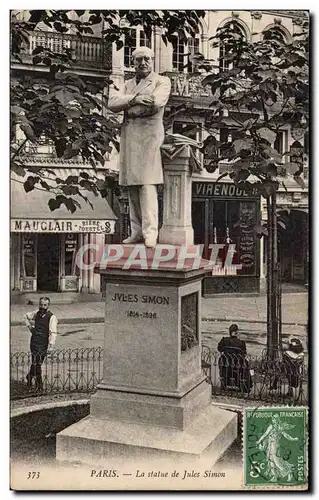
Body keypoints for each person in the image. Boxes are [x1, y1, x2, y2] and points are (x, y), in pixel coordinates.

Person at [108, 46, 171, 248]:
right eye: (138, 60)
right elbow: (112, 102)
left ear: (153, 61)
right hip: (130, 138)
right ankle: (136, 231)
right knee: (132, 186)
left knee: (147, 185)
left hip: (149, 138)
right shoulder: (126, 84)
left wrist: (129, 108)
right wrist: (134, 100)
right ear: (133, 62)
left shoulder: (162, 81)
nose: (143, 63)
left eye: (146, 59)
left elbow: (155, 103)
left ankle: (150, 231)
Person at [24, 297, 58, 391]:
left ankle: (30, 377)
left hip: (43, 342)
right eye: (41, 304)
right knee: (36, 362)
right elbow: (26, 316)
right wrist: (30, 327)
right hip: (34, 341)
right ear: (39, 304)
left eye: (45, 305)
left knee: (37, 362)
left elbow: (53, 332)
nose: (42, 307)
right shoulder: (36, 313)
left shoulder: (52, 317)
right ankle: (39, 385)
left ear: (48, 306)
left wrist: (51, 346)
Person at [217, 324, 252, 392]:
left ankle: (224, 380)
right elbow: (244, 354)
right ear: (236, 332)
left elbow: (219, 349)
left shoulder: (224, 340)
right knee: (246, 364)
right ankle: (247, 385)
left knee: (221, 359)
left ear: (229, 332)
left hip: (226, 366)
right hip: (237, 367)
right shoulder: (241, 343)